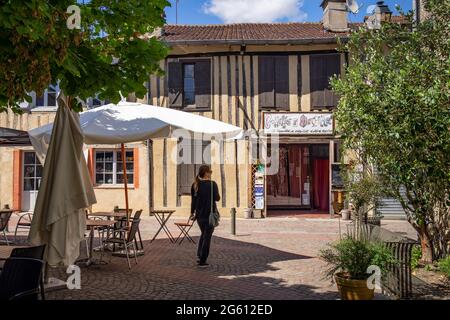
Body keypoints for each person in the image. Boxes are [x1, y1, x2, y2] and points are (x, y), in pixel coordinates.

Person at [190, 164, 220, 267]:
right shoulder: (212, 184)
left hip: (199, 216)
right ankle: (203, 260)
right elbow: (217, 198)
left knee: (204, 234)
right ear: (206, 173)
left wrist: (191, 213)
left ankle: (199, 255)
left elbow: (193, 201)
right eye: (210, 172)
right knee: (207, 236)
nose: (211, 174)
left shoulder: (195, 185)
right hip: (209, 215)